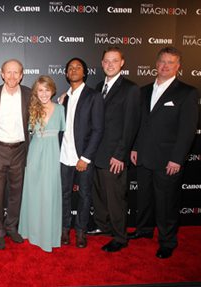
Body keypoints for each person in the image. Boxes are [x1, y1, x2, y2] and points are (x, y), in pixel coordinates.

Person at [129, 47, 199, 259]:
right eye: (162, 61)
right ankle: (144, 230)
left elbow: (187, 130)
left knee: (167, 202)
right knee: (144, 198)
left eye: (170, 62)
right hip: (144, 155)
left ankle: (168, 241)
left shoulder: (187, 92)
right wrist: (135, 147)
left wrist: (177, 159)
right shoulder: (144, 91)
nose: (165, 66)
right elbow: (141, 124)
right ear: (156, 64)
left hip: (168, 159)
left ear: (178, 67)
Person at [87, 47, 141, 252]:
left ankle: (120, 237)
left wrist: (120, 155)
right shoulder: (100, 85)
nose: (110, 64)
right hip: (97, 154)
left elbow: (130, 126)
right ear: (102, 63)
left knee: (116, 198)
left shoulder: (130, 89)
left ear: (122, 63)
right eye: (106, 61)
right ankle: (103, 226)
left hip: (114, 156)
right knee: (100, 195)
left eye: (114, 61)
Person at [0, 59, 31, 250]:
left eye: (16, 72)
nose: (12, 76)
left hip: (19, 150)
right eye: (8, 72)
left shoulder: (30, 94)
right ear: (2, 74)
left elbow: (44, 109)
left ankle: (12, 226)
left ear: (21, 75)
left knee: (16, 192)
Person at [59, 57, 104, 248]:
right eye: (70, 68)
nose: (74, 70)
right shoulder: (63, 98)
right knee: (64, 195)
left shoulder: (94, 96)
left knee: (85, 195)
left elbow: (98, 129)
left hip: (83, 157)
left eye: (78, 67)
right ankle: (64, 230)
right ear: (66, 74)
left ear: (84, 72)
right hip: (63, 156)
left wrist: (85, 157)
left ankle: (80, 232)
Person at [18, 75, 65, 252]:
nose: (44, 93)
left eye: (47, 89)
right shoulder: (32, 109)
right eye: (40, 90)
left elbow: (66, 135)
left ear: (52, 90)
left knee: (49, 194)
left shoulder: (61, 109)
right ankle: (32, 232)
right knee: (34, 193)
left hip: (53, 154)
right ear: (35, 92)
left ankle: (48, 235)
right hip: (35, 154)